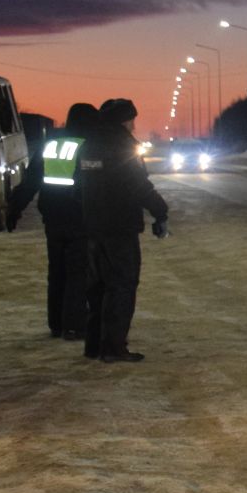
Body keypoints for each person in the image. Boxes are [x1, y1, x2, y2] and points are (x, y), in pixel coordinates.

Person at [78, 98, 169, 363]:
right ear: (123, 120)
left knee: (97, 286)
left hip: (94, 226)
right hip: (119, 226)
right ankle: (114, 347)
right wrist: (160, 210)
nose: (133, 124)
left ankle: (94, 345)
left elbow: (78, 186)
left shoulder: (88, 146)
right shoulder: (123, 146)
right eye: (131, 119)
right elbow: (138, 185)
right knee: (122, 285)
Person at [36, 102, 99, 340]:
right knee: (78, 273)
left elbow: (33, 178)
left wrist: (15, 209)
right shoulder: (86, 146)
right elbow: (89, 184)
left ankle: (56, 323)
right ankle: (74, 325)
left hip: (52, 217)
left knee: (57, 271)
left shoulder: (50, 145)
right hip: (78, 217)